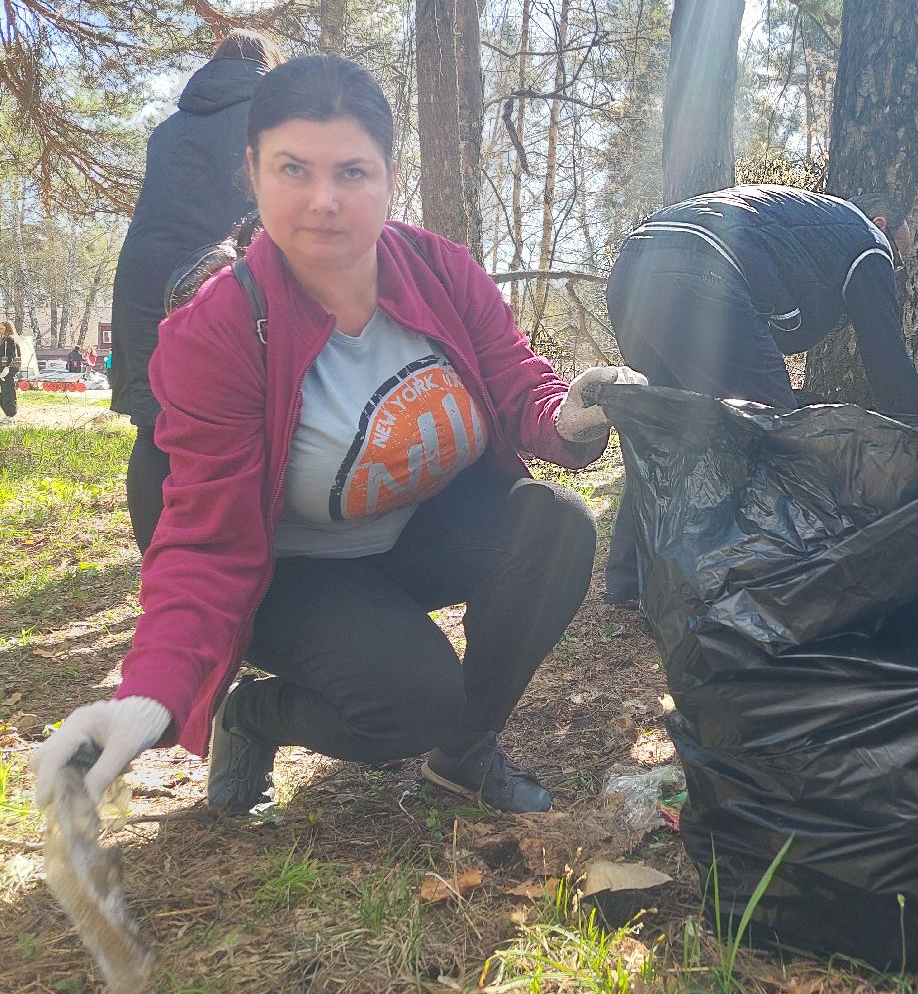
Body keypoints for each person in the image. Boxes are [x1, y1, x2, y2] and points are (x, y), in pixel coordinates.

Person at [31, 54, 645, 821]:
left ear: (389, 178)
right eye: (294, 169)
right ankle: (253, 716)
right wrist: (150, 695)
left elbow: (514, 379)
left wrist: (566, 414)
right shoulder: (219, 329)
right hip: (293, 575)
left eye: (352, 172)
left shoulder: (440, 269)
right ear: (253, 173)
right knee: (412, 702)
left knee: (554, 524)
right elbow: (205, 543)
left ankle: (465, 752)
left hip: (411, 534)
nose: (324, 201)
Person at [603, 184, 918, 604]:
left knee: (666, 431)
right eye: (898, 259)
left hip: (633, 272)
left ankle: (628, 579)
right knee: (775, 435)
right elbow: (887, 358)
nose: (893, 271)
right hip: (702, 275)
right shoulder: (867, 242)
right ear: (881, 224)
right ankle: (777, 586)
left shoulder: (811, 223)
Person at [111, 29, 287, 554]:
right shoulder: (271, 115)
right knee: (243, 423)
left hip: (143, 275)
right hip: (215, 275)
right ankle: (243, 555)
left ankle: (157, 563)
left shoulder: (169, 128)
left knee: (154, 427)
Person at [0, 320, 20, 422]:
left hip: (7, 371)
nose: (0, 330)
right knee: (4, 393)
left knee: (8, 393)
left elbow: (14, 356)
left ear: (7, 328)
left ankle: (11, 415)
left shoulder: (11, 340)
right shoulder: (2, 340)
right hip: (1, 370)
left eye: (1, 328)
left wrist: (8, 368)